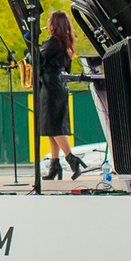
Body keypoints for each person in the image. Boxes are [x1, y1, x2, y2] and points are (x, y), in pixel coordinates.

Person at [33, 10, 82, 182]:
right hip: (59, 85)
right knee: (51, 127)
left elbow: (39, 58)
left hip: (50, 87)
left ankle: (72, 160)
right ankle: (55, 165)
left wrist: (29, 52)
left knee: (53, 126)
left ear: (54, 24)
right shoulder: (65, 42)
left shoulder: (53, 42)